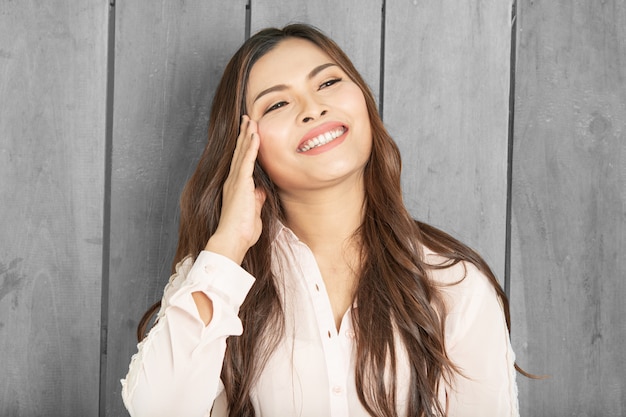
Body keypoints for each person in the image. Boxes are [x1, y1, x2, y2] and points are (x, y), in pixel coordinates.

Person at [121, 24, 520, 417]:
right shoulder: (215, 280)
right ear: (245, 148)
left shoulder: (453, 284)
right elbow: (158, 409)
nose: (314, 109)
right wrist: (229, 241)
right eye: (277, 104)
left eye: (328, 83)